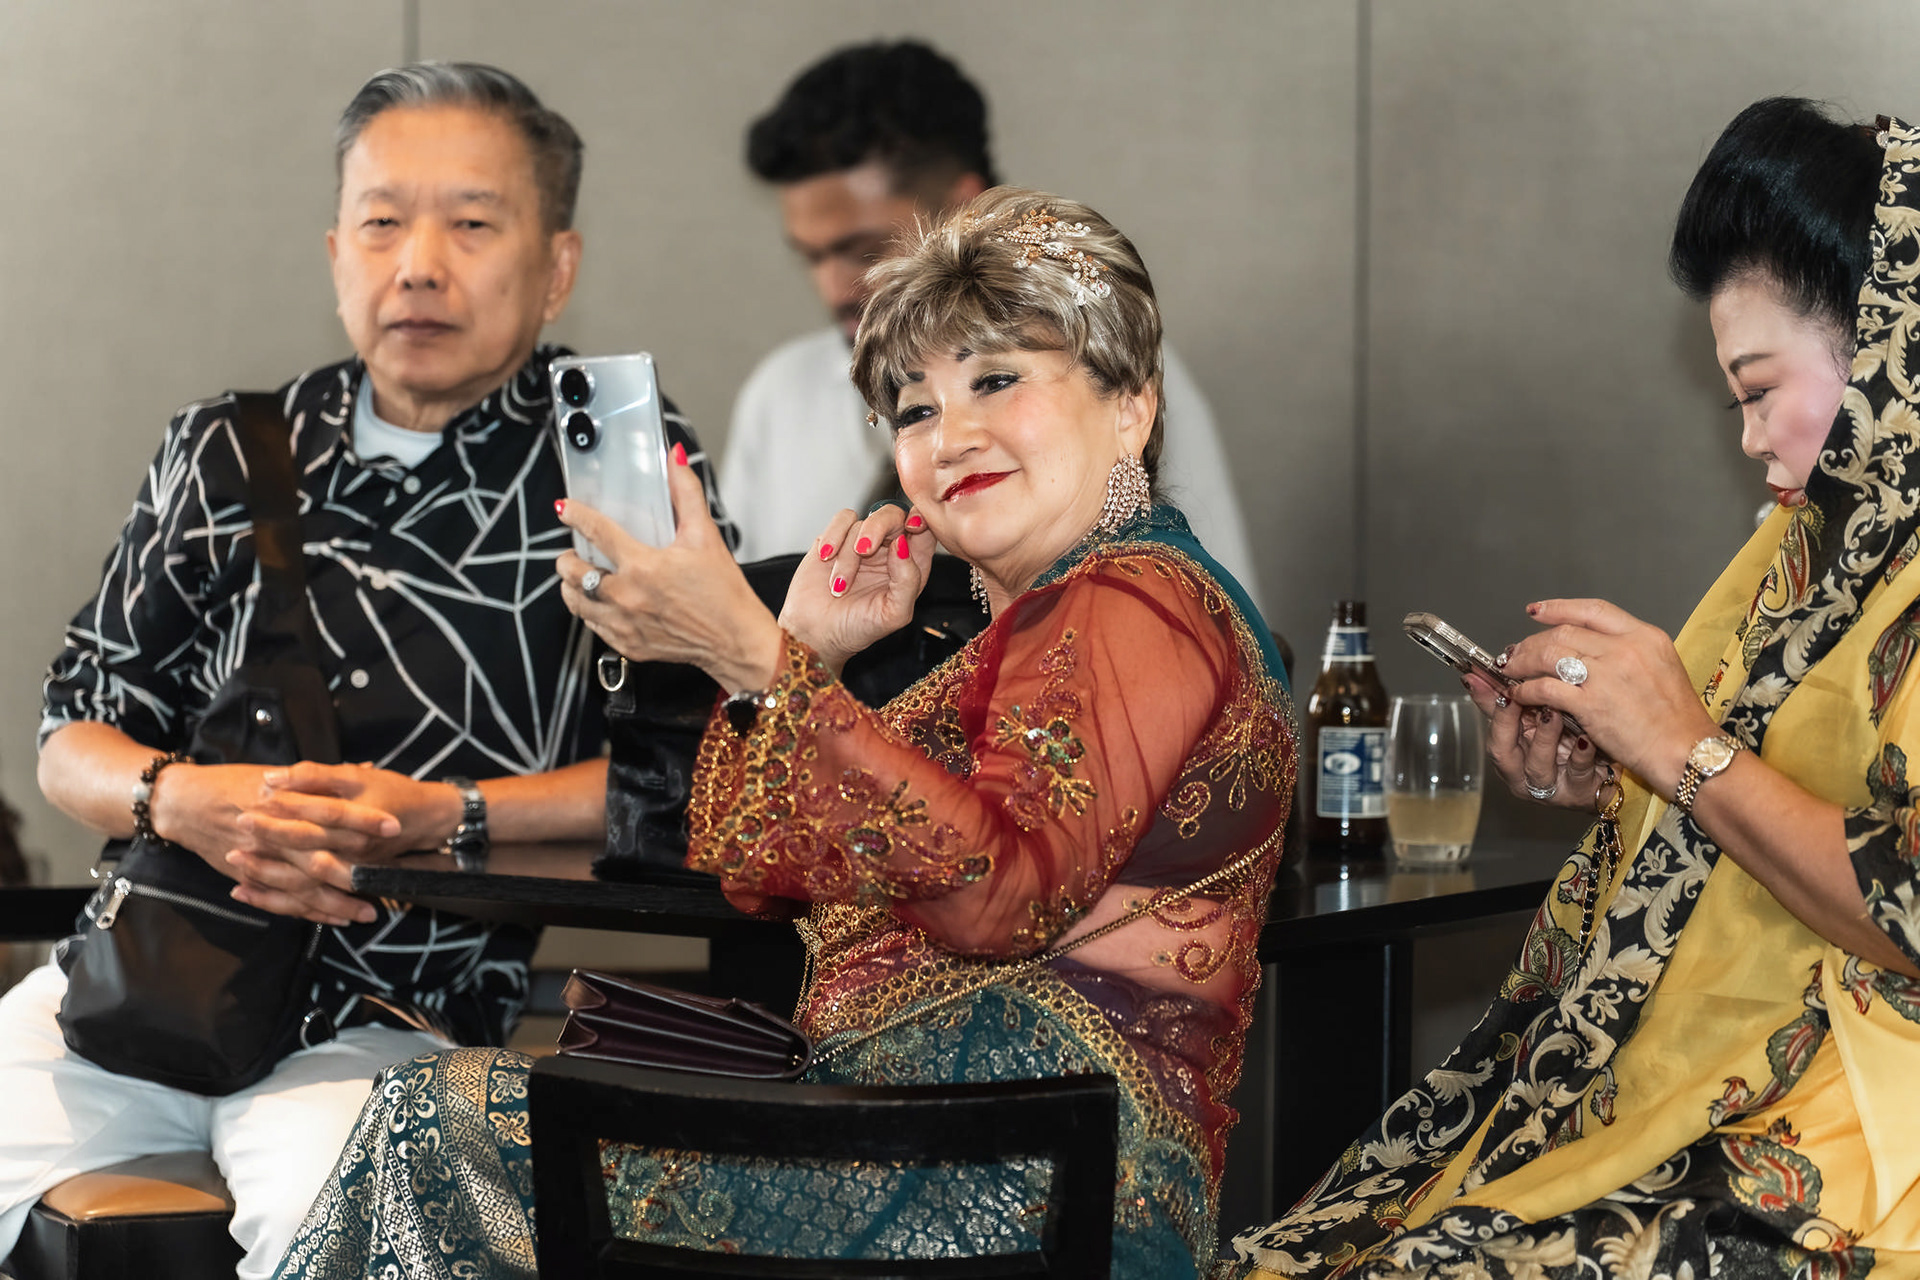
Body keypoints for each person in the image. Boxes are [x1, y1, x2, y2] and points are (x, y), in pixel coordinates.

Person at [273, 188, 1296, 1279]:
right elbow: (752, 864)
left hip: (1021, 1190)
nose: (952, 436)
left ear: (1130, 405)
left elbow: (1002, 893)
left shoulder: (1138, 597)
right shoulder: (1035, 623)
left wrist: (754, 655)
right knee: (439, 1114)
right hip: (911, 1149)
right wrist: (805, 649)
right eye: (914, 411)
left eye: (997, 380)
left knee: (441, 1119)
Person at [2, 62, 730, 1278]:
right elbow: (73, 729)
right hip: (142, 989)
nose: (419, 264)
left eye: (473, 224)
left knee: (360, 1234)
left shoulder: (617, 473)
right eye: (384, 221)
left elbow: (696, 774)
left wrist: (445, 815)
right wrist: (183, 797)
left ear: (556, 266)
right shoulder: (224, 448)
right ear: (337, 250)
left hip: (399, 1022)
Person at [1231, 99, 1920, 1278]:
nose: (1753, 439)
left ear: (1890, 343)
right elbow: (1763, 797)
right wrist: (1614, 773)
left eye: (1761, 389)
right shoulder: (1815, 551)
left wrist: (1682, 749)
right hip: (1736, 1061)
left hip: (1866, 1110)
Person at [720, 38, 1264, 609]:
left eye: (864, 250)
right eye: (914, 412)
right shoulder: (779, 393)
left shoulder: (1107, 368)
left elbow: (1216, 614)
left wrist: (779, 656)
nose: (836, 288)